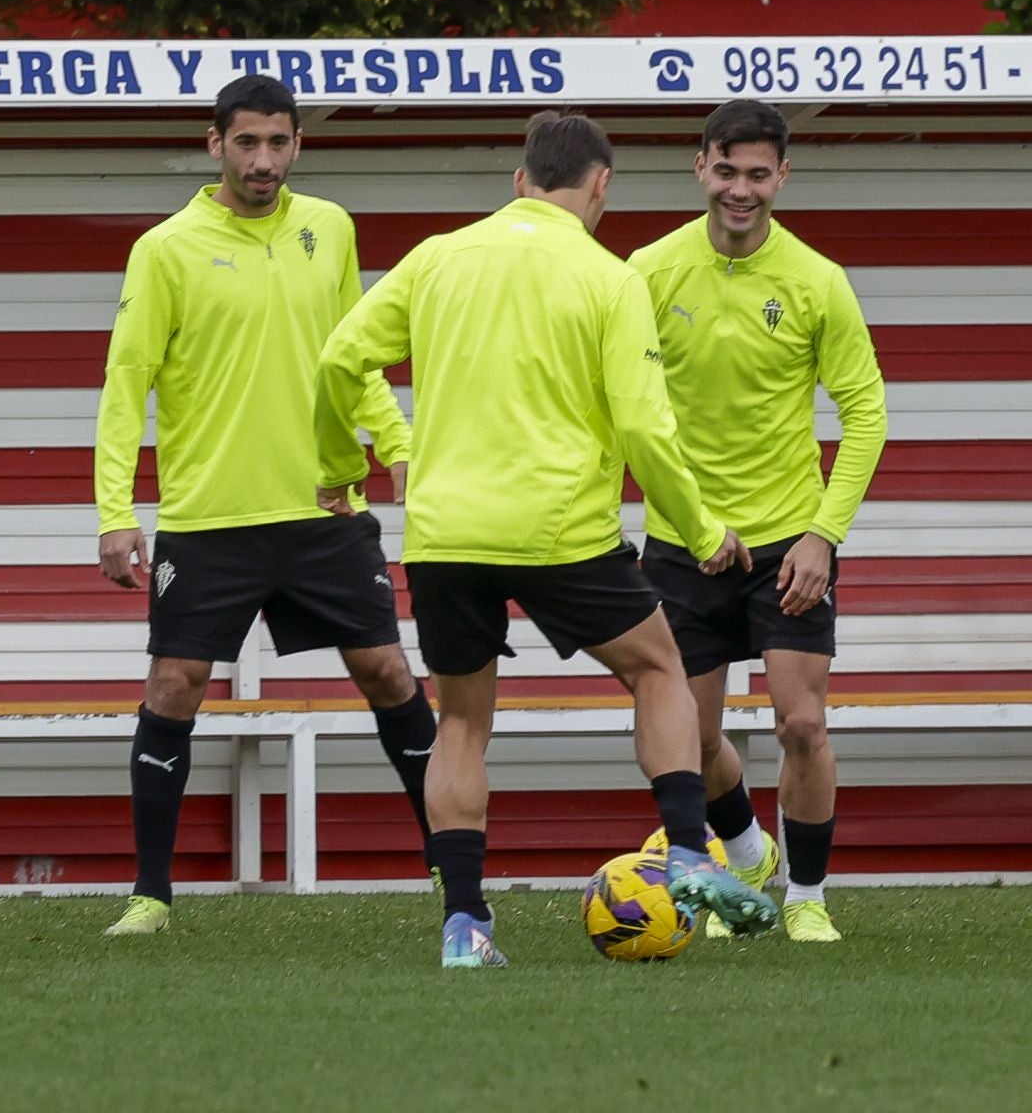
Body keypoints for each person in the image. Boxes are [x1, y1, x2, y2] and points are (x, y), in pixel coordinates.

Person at [313, 110, 778, 968]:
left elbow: (340, 360)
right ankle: (683, 848)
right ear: (600, 187)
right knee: (659, 668)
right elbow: (645, 424)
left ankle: (464, 926)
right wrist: (705, 526)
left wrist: (344, 463)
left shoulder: (436, 258)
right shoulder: (609, 279)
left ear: (519, 181)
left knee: (460, 725)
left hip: (446, 532)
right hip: (562, 531)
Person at [93, 74, 436, 938]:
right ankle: (151, 894)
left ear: (297, 145)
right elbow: (124, 383)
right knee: (176, 684)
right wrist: (113, 511)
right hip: (210, 518)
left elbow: (355, 359)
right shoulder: (165, 248)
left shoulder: (332, 228)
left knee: (389, 673)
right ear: (215, 145)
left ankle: (450, 866)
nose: (264, 160)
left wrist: (396, 451)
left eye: (279, 143)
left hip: (323, 510)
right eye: (246, 143)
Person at [629, 100, 888, 942]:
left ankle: (807, 899)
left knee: (801, 723)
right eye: (728, 171)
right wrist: (680, 520)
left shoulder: (817, 280)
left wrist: (824, 534)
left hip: (786, 543)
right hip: (684, 542)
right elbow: (619, 410)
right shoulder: (647, 272)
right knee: (694, 741)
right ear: (699, 167)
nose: (742, 190)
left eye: (759, 174)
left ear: (783, 177)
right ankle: (745, 853)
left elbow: (867, 414)